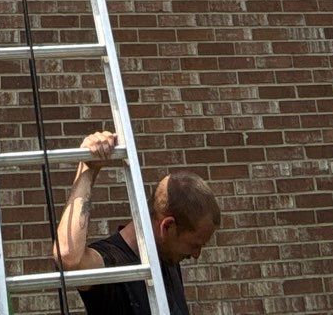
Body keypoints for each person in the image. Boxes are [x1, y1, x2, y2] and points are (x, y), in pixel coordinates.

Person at [51, 129, 219, 315]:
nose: (196, 254)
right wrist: (88, 168)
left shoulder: (166, 256)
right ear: (167, 226)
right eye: (195, 245)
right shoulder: (110, 262)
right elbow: (67, 258)